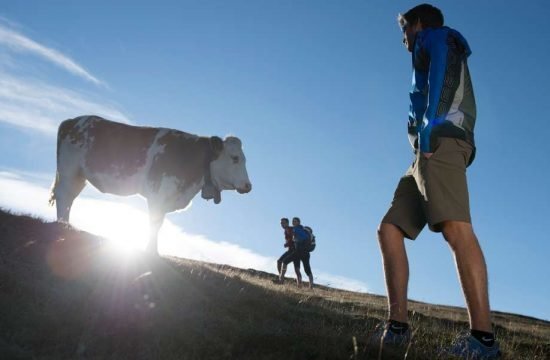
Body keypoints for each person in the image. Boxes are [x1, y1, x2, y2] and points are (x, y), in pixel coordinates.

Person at [374, 4, 501, 359]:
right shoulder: (424, 48)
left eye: (404, 28)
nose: (403, 37)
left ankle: (483, 341)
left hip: (442, 142)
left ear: (417, 24)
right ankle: (397, 328)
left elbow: (444, 78)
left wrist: (427, 133)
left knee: (456, 229)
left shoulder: (436, 38)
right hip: (422, 156)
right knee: (389, 229)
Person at [278, 217, 314, 288]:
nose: (293, 222)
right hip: (305, 252)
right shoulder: (300, 229)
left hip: (298, 251)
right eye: (293, 221)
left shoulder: (295, 229)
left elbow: (297, 239)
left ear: (298, 222)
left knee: (285, 262)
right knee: (305, 269)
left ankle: (281, 280)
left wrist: (292, 241)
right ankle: (308, 286)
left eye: (295, 221)